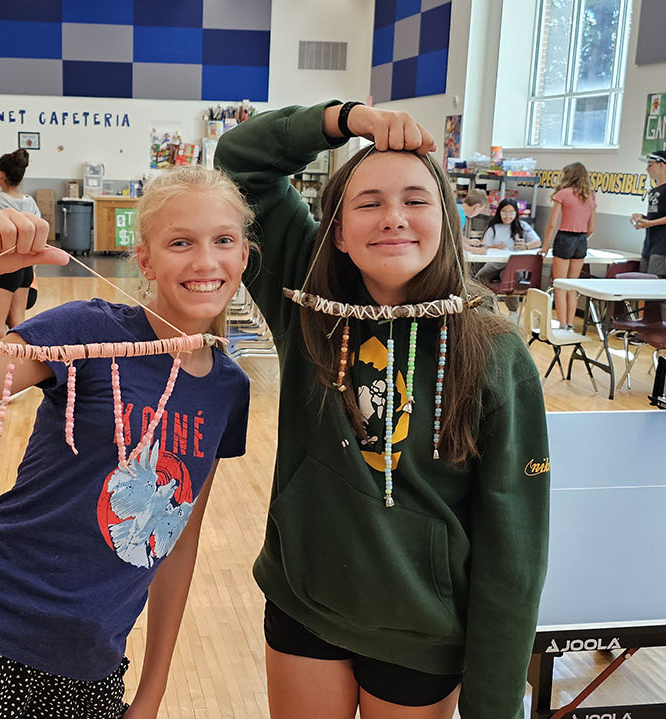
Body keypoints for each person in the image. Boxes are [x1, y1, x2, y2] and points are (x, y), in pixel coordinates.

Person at [0, 166, 253, 719]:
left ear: (243, 255)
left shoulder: (227, 389)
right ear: (143, 259)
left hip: (90, 663)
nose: (205, 261)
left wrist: (153, 692)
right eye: (179, 242)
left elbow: (177, 541)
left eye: (223, 241)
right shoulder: (86, 330)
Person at [217, 101, 550, 719]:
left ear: (448, 221)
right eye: (368, 202)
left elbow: (515, 551)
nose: (393, 218)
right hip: (304, 605)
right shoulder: (305, 299)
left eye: (416, 200)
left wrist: (494, 705)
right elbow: (241, 163)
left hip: (420, 635)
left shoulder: (494, 351)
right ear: (337, 231)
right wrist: (347, 119)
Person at [0, 148, 41, 339]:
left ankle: (5, 368)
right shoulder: (31, 204)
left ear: (1, 175)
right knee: (18, 325)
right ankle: (21, 365)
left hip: (3, 269)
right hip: (25, 269)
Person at [544, 162, 598, 327]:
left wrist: (545, 246)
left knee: (559, 284)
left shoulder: (563, 194)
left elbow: (552, 223)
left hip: (565, 238)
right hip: (581, 240)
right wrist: (580, 239)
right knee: (573, 284)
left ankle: (562, 324)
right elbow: (591, 228)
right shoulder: (590, 196)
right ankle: (570, 323)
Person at [630, 150, 666, 278]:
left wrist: (651, 223)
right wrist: (641, 218)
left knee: (656, 284)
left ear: (662, 165)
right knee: (642, 281)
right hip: (650, 245)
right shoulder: (654, 190)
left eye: (650, 165)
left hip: (664, 246)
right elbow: (655, 216)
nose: (647, 169)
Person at [469, 198, 542, 288]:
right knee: (478, 281)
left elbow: (538, 242)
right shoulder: (493, 227)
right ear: (499, 212)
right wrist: (496, 247)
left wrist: (526, 246)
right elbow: (483, 246)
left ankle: (512, 302)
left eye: (511, 212)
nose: (508, 215)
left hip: (514, 266)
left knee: (509, 284)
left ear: (516, 213)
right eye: (504, 212)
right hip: (494, 264)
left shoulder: (522, 226)